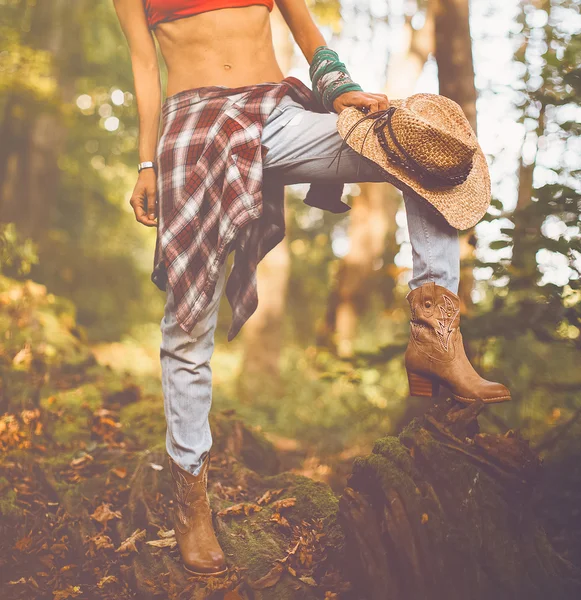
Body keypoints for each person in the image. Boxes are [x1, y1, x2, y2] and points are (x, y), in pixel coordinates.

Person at [113, 0, 511, 577]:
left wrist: (339, 88)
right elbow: (143, 67)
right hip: (194, 128)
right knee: (187, 324)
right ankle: (190, 499)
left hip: (278, 114)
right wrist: (146, 163)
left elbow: (305, 29)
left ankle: (434, 333)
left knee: (422, 147)